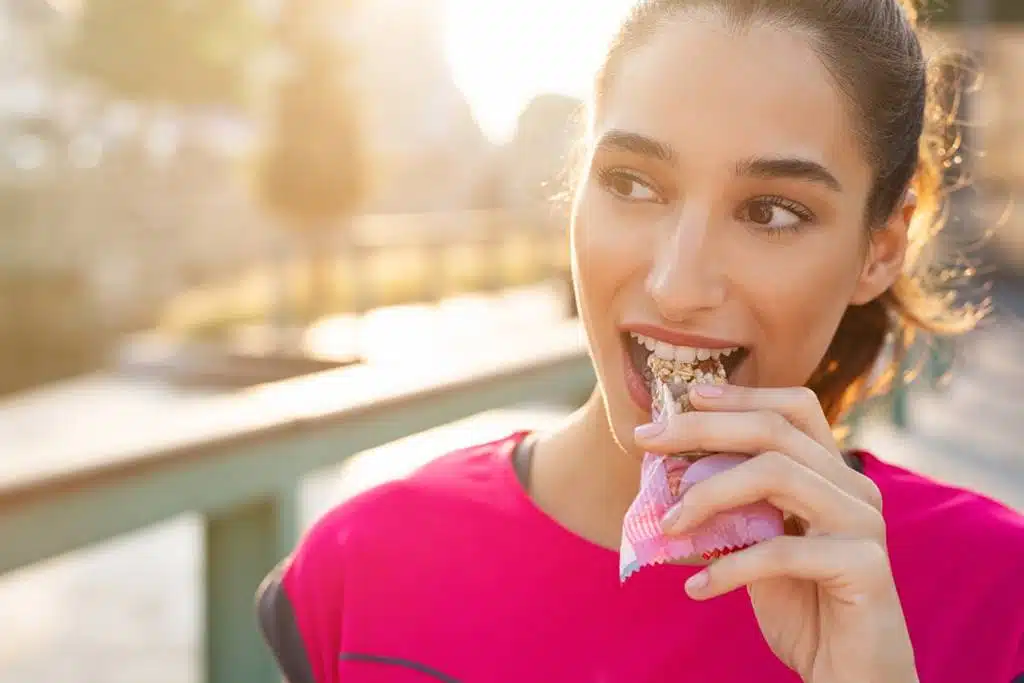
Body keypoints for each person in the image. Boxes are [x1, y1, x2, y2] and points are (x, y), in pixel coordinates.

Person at [256, 1, 1024, 681]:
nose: (676, 281)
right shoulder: (363, 571)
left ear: (880, 250)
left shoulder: (996, 601)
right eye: (632, 183)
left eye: (771, 211)